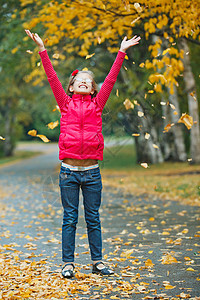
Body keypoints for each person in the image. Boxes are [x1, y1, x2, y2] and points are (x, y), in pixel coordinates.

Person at [25, 29, 141, 278]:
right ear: (72, 86)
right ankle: (68, 263)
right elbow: (52, 77)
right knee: (69, 219)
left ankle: (98, 262)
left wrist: (121, 52)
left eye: (89, 80)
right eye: (80, 80)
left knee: (93, 219)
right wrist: (42, 49)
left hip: (91, 174)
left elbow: (110, 79)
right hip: (68, 173)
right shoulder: (65, 104)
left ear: (92, 88)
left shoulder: (97, 105)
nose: (85, 81)